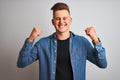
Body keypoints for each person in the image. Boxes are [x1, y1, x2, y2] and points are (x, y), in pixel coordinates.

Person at [17, 2, 107, 80]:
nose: (61, 22)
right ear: (53, 22)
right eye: (57, 18)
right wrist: (31, 38)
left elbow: (102, 64)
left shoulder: (82, 42)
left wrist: (95, 40)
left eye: (64, 18)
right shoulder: (42, 44)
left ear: (70, 20)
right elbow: (22, 63)